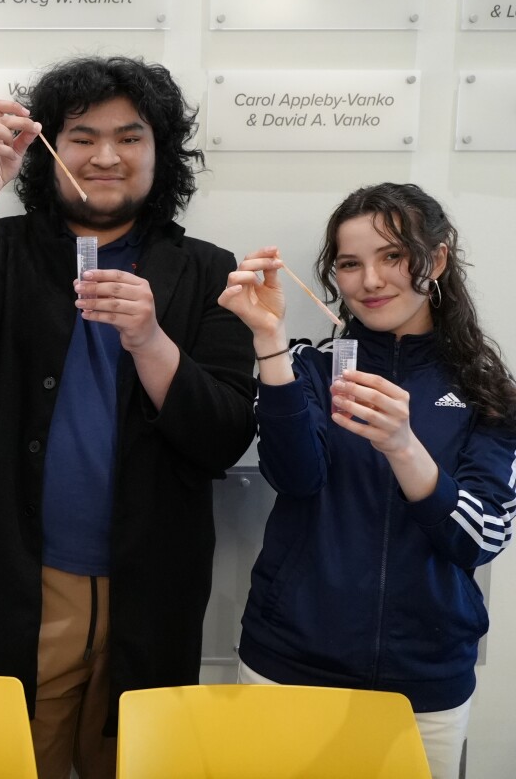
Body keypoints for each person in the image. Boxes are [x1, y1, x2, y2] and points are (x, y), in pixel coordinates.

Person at [0, 56, 256, 779]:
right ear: (48, 149)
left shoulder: (208, 270)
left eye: (131, 137)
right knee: (3, 759)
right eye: (82, 136)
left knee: (137, 760)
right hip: (19, 575)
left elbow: (223, 435)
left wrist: (152, 340)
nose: (107, 156)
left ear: (162, 153)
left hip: (149, 583)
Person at [218, 183, 516, 779]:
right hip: (290, 661)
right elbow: (295, 477)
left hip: (425, 679)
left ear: (434, 260)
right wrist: (270, 343)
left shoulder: (488, 392)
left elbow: (479, 539)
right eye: (350, 264)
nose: (371, 281)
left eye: (392, 256)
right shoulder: (307, 367)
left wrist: (405, 447)